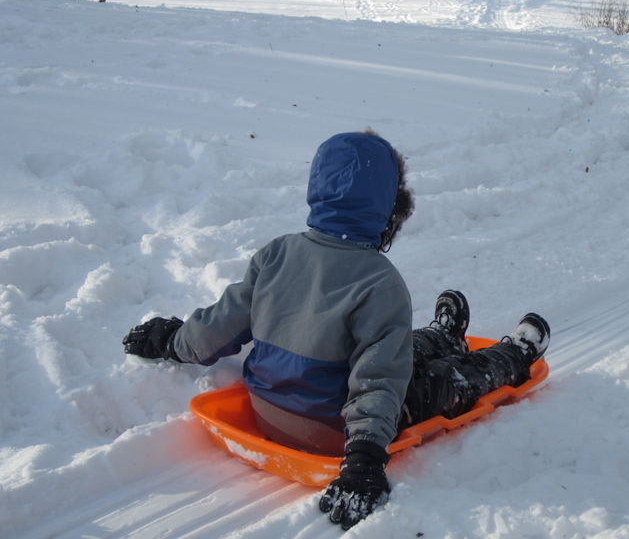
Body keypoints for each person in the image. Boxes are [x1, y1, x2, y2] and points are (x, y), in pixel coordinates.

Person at [122, 130, 551, 530]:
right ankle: (512, 355)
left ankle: (441, 338)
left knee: (397, 349)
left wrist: (171, 340)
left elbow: (218, 326)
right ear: (390, 208)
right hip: (339, 431)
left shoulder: (277, 254)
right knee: (443, 383)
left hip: (267, 415)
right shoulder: (380, 282)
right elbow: (378, 379)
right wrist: (364, 456)